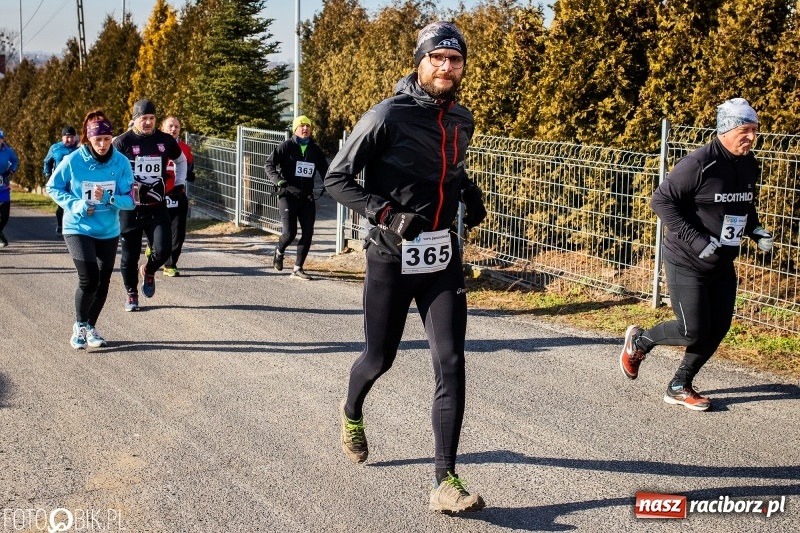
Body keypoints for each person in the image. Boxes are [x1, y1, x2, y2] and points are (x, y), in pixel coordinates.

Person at [325, 21, 488, 513]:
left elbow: (448, 168)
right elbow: (336, 179)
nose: (446, 67)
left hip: (440, 257)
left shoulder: (462, 119)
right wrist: (388, 215)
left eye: (454, 59)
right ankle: (352, 409)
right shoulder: (386, 116)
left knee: (451, 361)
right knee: (379, 358)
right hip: (391, 256)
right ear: (420, 62)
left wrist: (468, 191)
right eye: (437, 58)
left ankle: (445, 480)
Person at [620, 98, 774, 412]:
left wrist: (755, 229)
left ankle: (680, 385)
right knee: (692, 329)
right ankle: (640, 342)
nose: (752, 137)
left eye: (755, 130)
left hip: (722, 262)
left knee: (719, 326)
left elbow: (742, 204)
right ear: (726, 130)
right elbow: (661, 201)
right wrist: (697, 240)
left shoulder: (748, 162)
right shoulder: (699, 163)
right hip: (686, 259)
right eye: (745, 130)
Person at [46, 110, 135, 349]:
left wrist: (109, 198)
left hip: (108, 230)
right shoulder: (74, 160)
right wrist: (76, 204)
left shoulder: (121, 162)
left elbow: (130, 201)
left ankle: (91, 327)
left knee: (103, 282)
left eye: (107, 139)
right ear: (88, 138)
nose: (103, 144)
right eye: (98, 140)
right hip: (77, 227)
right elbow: (53, 187)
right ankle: (79, 325)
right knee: (89, 279)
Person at [113, 99, 187, 311]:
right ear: (135, 119)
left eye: (152, 118)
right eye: (144, 118)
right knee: (130, 256)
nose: (148, 122)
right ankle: (131, 293)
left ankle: (150, 270)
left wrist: (179, 183)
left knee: (164, 250)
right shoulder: (122, 142)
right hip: (131, 208)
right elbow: (110, 169)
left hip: (156, 206)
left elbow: (181, 160)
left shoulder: (165, 140)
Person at [264, 115, 329, 280]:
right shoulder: (286, 146)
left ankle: (298, 268)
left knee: (308, 233)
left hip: (307, 198)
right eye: (302, 126)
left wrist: (331, 184)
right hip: (288, 196)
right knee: (289, 233)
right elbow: (269, 164)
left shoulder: (315, 150)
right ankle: (279, 251)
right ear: (295, 129)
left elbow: (325, 170)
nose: (305, 128)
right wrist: (277, 180)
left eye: (308, 126)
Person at [150, 116, 195, 277]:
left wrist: (189, 174)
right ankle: (152, 246)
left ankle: (170, 264)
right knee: (157, 228)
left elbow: (189, 166)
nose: (173, 129)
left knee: (178, 231)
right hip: (157, 194)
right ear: (162, 127)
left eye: (177, 127)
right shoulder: (154, 144)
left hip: (177, 194)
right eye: (170, 126)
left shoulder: (185, 148)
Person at [43, 125, 80, 235]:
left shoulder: (79, 149)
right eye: (67, 137)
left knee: (75, 205)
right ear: (62, 137)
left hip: (75, 182)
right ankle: (60, 224)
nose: (70, 140)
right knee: (62, 206)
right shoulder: (55, 148)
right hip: (61, 182)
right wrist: (48, 175)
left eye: (72, 137)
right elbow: (47, 163)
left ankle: (74, 228)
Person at [0, 129, 20, 248]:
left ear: (2, 139)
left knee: (5, 216)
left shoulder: (8, 151)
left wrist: (11, 171)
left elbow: (15, 161)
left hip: (3, 188)